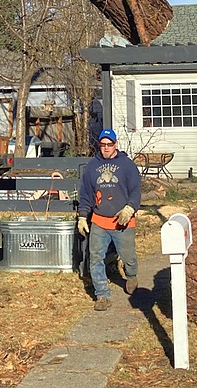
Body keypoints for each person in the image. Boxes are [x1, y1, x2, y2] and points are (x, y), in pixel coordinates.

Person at [77, 127, 141, 311]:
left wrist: (129, 208)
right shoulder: (92, 167)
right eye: (102, 145)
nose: (105, 148)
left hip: (123, 221)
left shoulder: (127, 165)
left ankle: (131, 275)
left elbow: (135, 191)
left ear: (115, 145)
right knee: (95, 258)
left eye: (109, 144)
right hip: (99, 221)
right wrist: (83, 216)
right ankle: (102, 295)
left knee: (128, 256)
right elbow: (86, 195)